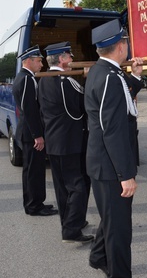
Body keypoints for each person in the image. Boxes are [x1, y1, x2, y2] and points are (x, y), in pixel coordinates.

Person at [85, 19, 147, 278]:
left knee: (110, 218)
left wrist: (136, 75)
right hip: (111, 166)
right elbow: (113, 129)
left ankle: (99, 255)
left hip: (101, 162)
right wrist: (126, 174)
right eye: (126, 42)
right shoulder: (110, 77)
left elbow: (122, 99)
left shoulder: (103, 72)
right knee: (119, 227)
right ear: (121, 45)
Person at [38, 42, 93, 244]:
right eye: (69, 55)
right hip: (69, 140)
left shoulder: (43, 79)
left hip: (54, 141)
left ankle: (70, 222)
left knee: (62, 187)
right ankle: (71, 229)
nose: (72, 58)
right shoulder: (65, 81)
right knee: (78, 185)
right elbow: (84, 104)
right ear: (61, 59)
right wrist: (88, 79)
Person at [12, 45, 58, 216]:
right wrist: (37, 135)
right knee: (33, 172)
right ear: (28, 61)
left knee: (33, 170)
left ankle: (36, 203)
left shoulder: (24, 77)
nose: (41, 64)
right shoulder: (26, 79)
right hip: (30, 134)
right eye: (38, 61)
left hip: (28, 132)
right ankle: (34, 206)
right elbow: (29, 109)